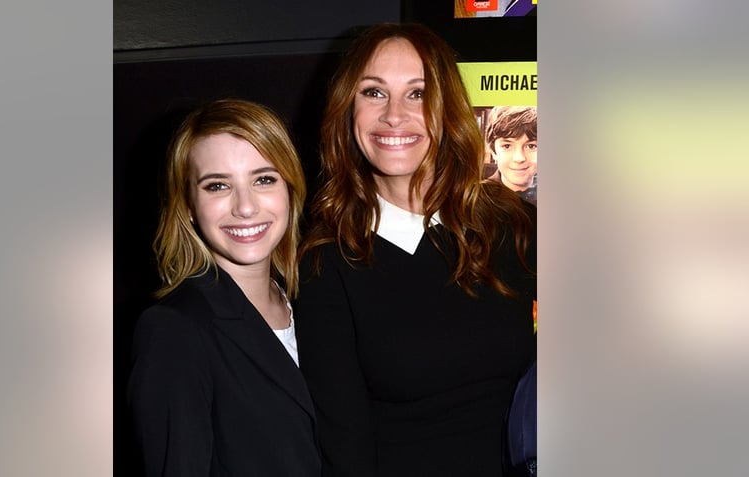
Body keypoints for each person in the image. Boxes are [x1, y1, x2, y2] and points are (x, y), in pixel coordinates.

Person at [293, 23, 537, 477]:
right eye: (373, 92)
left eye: (418, 93)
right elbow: (346, 447)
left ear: (447, 109)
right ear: (348, 109)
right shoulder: (326, 261)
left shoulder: (511, 222)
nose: (394, 115)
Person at [127, 98, 321, 476]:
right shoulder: (173, 329)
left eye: (264, 179)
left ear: (291, 188)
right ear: (187, 206)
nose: (245, 207)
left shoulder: (311, 301)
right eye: (217, 186)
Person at [485, 105, 538, 206]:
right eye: (507, 146)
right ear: (493, 152)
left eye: (531, 146)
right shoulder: (473, 201)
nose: (519, 158)